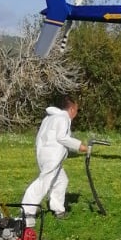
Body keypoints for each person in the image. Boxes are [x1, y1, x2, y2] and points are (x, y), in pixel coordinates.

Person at [22, 96, 88, 227]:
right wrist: (80, 146)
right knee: (43, 183)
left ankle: (58, 210)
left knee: (61, 180)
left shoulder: (50, 118)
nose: (76, 113)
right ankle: (27, 210)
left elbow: (41, 136)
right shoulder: (63, 118)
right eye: (77, 110)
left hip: (45, 154)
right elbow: (62, 137)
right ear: (72, 109)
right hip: (52, 156)